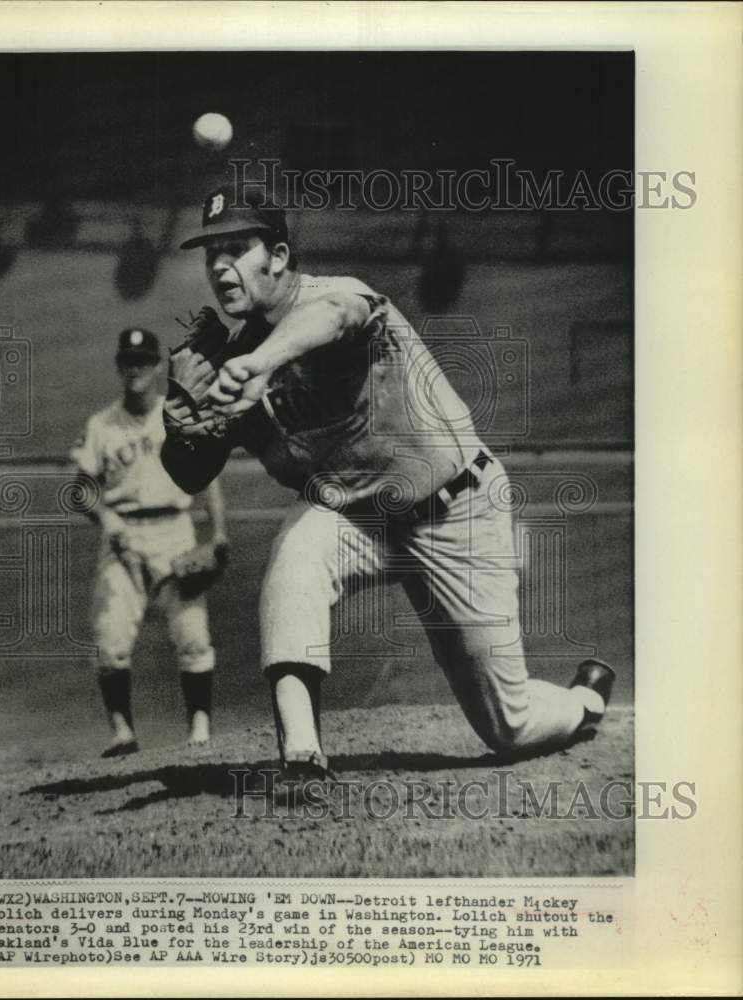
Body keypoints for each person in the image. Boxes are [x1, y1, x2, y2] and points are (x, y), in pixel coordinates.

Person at [161, 184, 615, 779]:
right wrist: (179, 422)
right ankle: (302, 755)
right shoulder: (237, 363)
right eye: (210, 253)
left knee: (509, 726)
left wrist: (260, 362)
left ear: (278, 255)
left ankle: (585, 700)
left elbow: (333, 319)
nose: (220, 266)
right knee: (296, 556)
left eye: (238, 248)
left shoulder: (335, 297)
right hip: (357, 520)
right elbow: (191, 472)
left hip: (456, 512)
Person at [71, 327, 229, 757]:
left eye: (143, 361)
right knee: (109, 641)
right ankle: (122, 733)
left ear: (159, 366)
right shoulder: (101, 425)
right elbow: (81, 488)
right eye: (128, 361)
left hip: (176, 532)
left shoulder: (178, 413)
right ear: (119, 367)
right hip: (123, 538)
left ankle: (199, 730)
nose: (135, 369)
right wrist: (105, 518)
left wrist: (217, 535)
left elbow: (209, 481)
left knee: (192, 635)